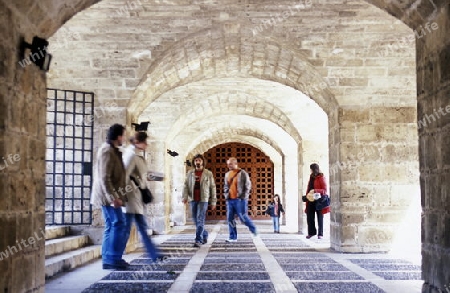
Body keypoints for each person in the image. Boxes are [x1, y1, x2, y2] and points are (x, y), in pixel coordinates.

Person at [90, 123, 129, 270]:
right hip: (107, 197)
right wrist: (113, 197)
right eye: (123, 135)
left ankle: (109, 259)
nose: (124, 138)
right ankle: (112, 258)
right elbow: (104, 178)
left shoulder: (113, 150)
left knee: (112, 225)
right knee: (118, 223)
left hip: (110, 196)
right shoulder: (107, 151)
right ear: (118, 136)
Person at [122, 132, 163, 261]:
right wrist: (123, 195)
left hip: (137, 198)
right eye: (145, 141)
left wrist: (159, 177)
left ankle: (154, 254)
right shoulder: (131, 155)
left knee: (141, 227)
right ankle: (112, 256)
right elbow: (124, 175)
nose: (147, 144)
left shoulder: (137, 155)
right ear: (138, 142)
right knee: (126, 229)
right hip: (131, 198)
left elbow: (142, 175)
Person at [182, 154, 217, 247]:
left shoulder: (208, 173)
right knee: (195, 220)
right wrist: (184, 197)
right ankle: (204, 234)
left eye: (199, 160)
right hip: (192, 199)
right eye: (196, 160)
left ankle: (198, 239)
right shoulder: (190, 173)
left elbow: (212, 187)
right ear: (194, 162)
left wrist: (213, 201)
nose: (197, 162)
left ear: (202, 162)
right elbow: (185, 185)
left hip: (203, 199)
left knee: (200, 219)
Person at [224, 157, 258, 242]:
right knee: (230, 219)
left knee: (243, 217)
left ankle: (254, 230)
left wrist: (244, 197)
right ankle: (233, 237)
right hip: (230, 200)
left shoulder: (242, 173)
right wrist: (226, 195)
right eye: (228, 164)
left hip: (240, 200)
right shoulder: (227, 174)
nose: (229, 166)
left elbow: (248, 186)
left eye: (230, 164)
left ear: (235, 163)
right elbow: (226, 186)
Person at [303, 163, 330, 239]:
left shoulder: (321, 177)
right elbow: (309, 188)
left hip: (319, 201)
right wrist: (307, 196)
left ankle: (320, 234)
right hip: (311, 200)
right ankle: (311, 233)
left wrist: (315, 190)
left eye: (311, 169)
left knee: (320, 217)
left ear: (314, 169)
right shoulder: (311, 177)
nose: (310, 171)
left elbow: (324, 190)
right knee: (309, 217)